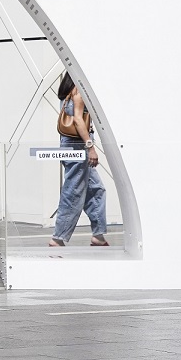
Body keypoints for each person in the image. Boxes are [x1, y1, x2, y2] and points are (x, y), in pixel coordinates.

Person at [48, 72, 107, 247]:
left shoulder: (68, 89)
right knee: (73, 191)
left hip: (70, 144)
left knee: (96, 189)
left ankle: (98, 236)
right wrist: (90, 147)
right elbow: (79, 120)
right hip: (78, 145)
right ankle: (58, 238)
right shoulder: (78, 89)